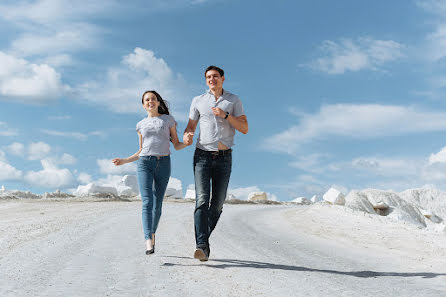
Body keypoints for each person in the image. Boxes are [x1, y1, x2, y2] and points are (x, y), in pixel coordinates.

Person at [183, 65, 248, 261]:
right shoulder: (198, 101)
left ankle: (203, 240)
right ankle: (201, 245)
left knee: (217, 205)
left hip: (224, 157)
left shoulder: (233, 100)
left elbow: (244, 128)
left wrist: (226, 115)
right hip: (202, 155)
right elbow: (190, 127)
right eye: (209, 77)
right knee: (202, 200)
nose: (212, 80)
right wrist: (187, 135)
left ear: (223, 79)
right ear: (206, 81)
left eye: (215, 76)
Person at [112, 90, 190, 255]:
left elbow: (176, 144)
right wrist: (124, 160)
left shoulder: (168, 120)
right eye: (147, 100)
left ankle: (152, 233)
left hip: (164, 163)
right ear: (143, 104)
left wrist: (187, 143)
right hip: (144, 163)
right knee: (147, 202)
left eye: (153, 99)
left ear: (159, 102)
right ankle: (148, 239)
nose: (150, 102)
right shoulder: (140, 124)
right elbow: (141, 149)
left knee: (157, 205)